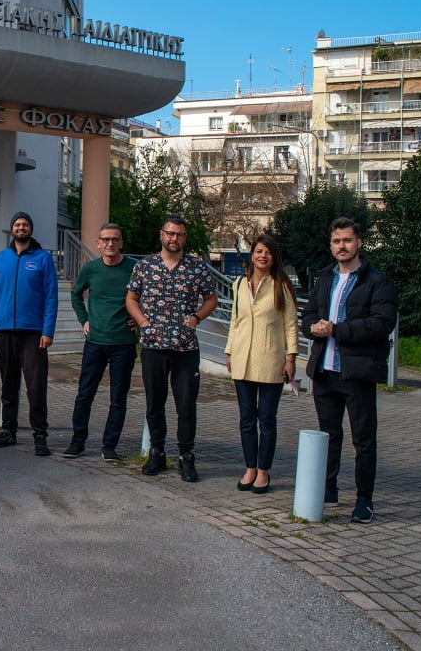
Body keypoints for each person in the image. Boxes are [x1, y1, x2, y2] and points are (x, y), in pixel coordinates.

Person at [301, 217, 397, 525]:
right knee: (328, 435)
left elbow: (382, 323)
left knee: (363, 440)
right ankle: (327, 489)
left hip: (357, 372)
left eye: (347, 240)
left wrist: (337, 330)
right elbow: (308, 315)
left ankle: (364, 500)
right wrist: (313, 327)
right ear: (330, 245)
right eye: (336, 241)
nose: (342, 246)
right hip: (325, 370)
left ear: (359, 243)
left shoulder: (376, 281)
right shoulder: (324, 278)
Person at [125, 215, 217, 480]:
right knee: (155, 402)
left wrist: (196, 317)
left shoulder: (197, 267)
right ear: (161, 235)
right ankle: (157, 452)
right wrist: (143, 321)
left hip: (185, 348)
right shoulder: (145, 266)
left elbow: (211, 299)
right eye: (170, 233)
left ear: (184, 238)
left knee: (186, 405)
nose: (174, 238)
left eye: (179, 234)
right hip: (153, 346)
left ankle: (186, 455)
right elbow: (131, 298)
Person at [225, 235, 299, 495]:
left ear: (274, 257)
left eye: (268, 252)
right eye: (258, 251)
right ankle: (250, 468)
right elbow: (235, 321)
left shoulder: (282, 286)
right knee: (247, 419)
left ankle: (264, 470)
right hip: (242, 358)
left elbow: (291, 324)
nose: (262, 256)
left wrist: (291, 358)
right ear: (252, 255)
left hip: (270, 360)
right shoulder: (239, 284)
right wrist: (229, 351)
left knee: (266, 419)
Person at [0, 212, 58, 456]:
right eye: (17, 224)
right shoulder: (1, 259)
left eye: (25, 224)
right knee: (8, 385)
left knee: (36, 387)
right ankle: (8, 431)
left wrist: (48, 330)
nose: (21, 227)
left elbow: (51, 297)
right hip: (4, 332)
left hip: (33, 334)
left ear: (30, 229)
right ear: (12, 229)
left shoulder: (42, 259)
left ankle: (40, 435)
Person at [62, 223, 137, 461]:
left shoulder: (134, 268)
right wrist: (83, 319)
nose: (110, 244)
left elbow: (149, 296)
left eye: (115, 239)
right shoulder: (91, 269)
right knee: (85, 394)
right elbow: (76, 294)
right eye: (105, 239)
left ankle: (109, 446)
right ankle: (77, 442)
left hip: (123, 343)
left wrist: (141, 317)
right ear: (98, 243)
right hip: (95, 342)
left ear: (121, 243)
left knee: (118, 398)